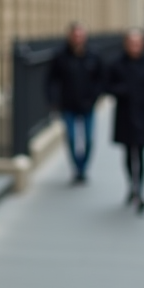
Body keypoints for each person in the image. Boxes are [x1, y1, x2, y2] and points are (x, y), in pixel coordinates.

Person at [107, 29, 144, 214]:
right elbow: (107, 86)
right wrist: (122, 90)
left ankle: (139, 190)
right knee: (127, 152)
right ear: (126, 44)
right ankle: (130, 186)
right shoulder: (117, 63)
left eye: (138, 43)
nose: (135, 46)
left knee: (141, 152)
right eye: (131, 43)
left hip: (143, 112)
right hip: (124, 113)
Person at [46, 22, 104, 183]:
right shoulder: (60, 55)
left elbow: (101, 79)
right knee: (71, 138)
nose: (77, 38)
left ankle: (83, 168)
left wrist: (94, 97)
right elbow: (51, 79)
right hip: (68, 104)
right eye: (75, 35)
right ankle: (77, 168)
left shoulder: (94, 55)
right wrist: (53, 100)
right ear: (70, 36)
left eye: (80, 35)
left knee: (89, 139)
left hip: (88, 105)